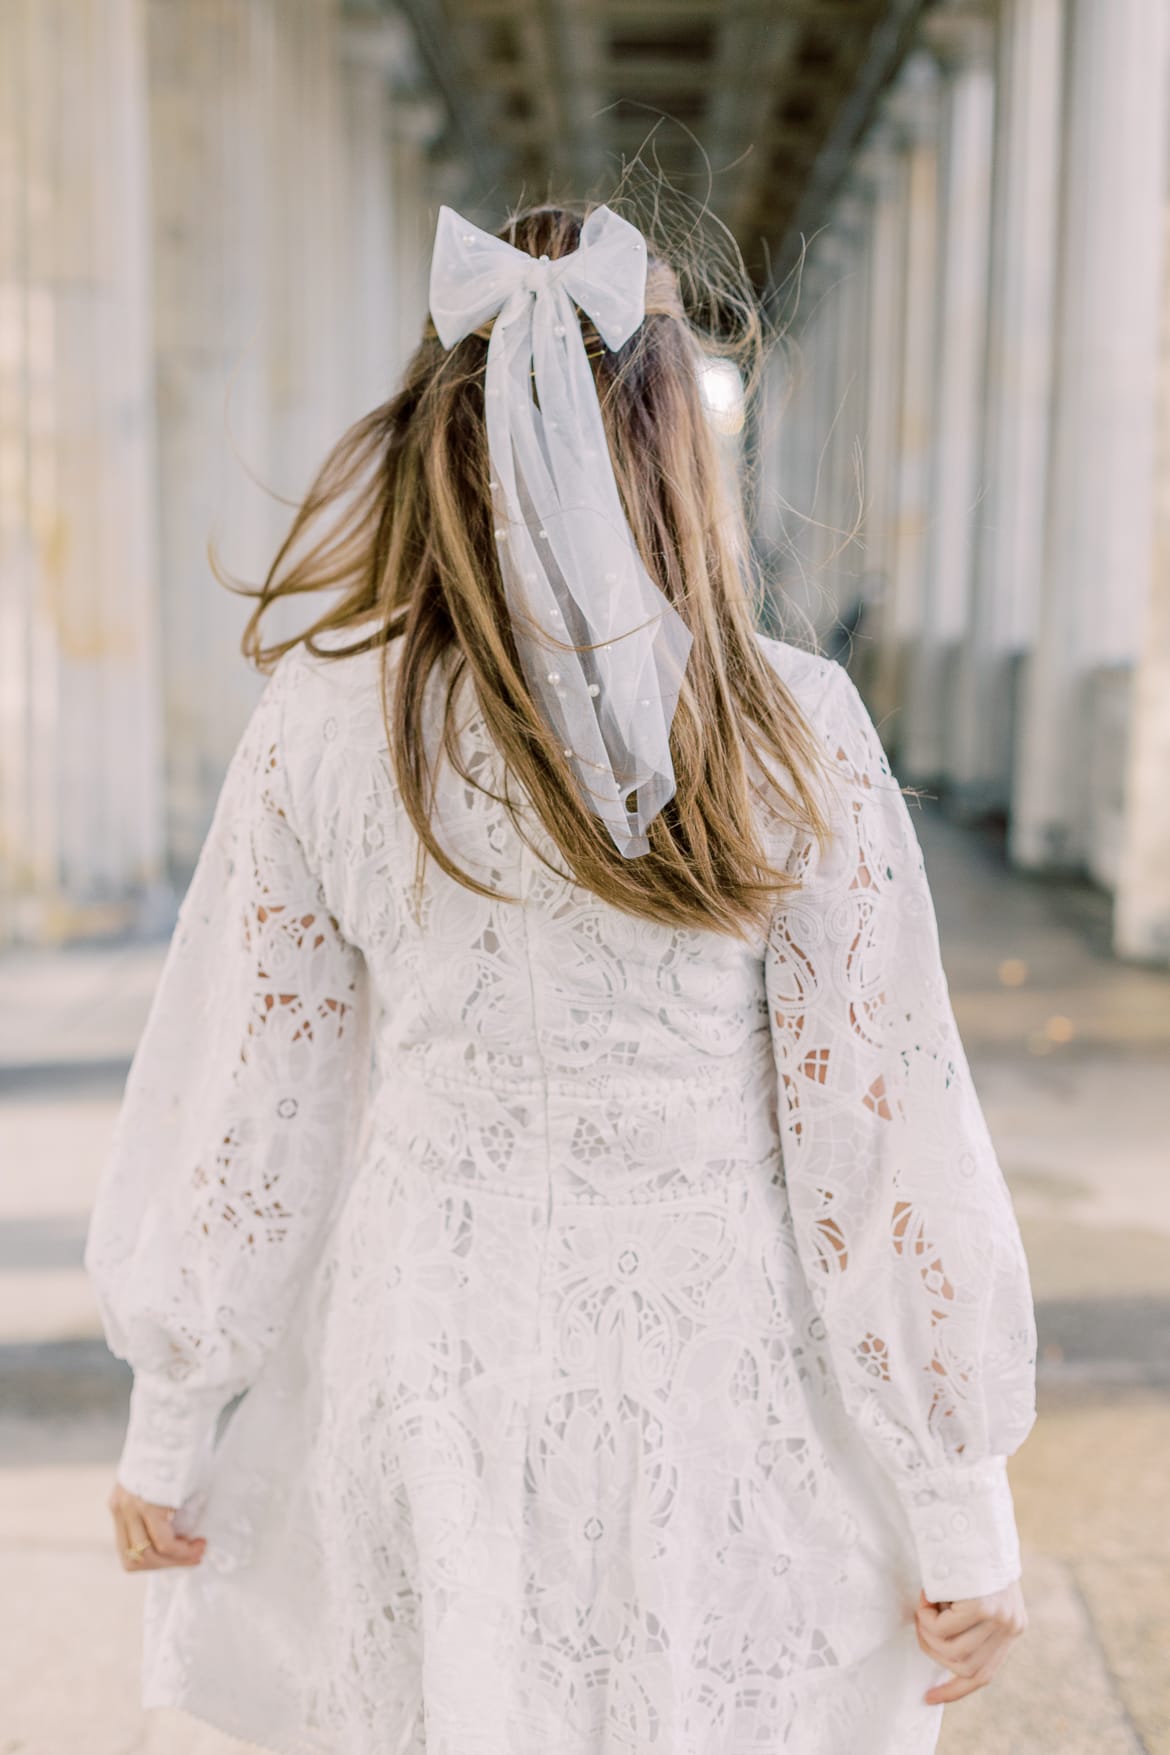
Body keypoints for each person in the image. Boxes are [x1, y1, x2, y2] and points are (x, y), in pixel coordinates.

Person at [84, 196, 1038, 1755]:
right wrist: (955, 1497)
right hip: (720, 1367)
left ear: (434, 432)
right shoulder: (786, 726)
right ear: (677, 445)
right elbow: (875, 1126)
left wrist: (170, 1420)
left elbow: (255, 1097)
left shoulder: (329, 716)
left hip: (428, 1349)